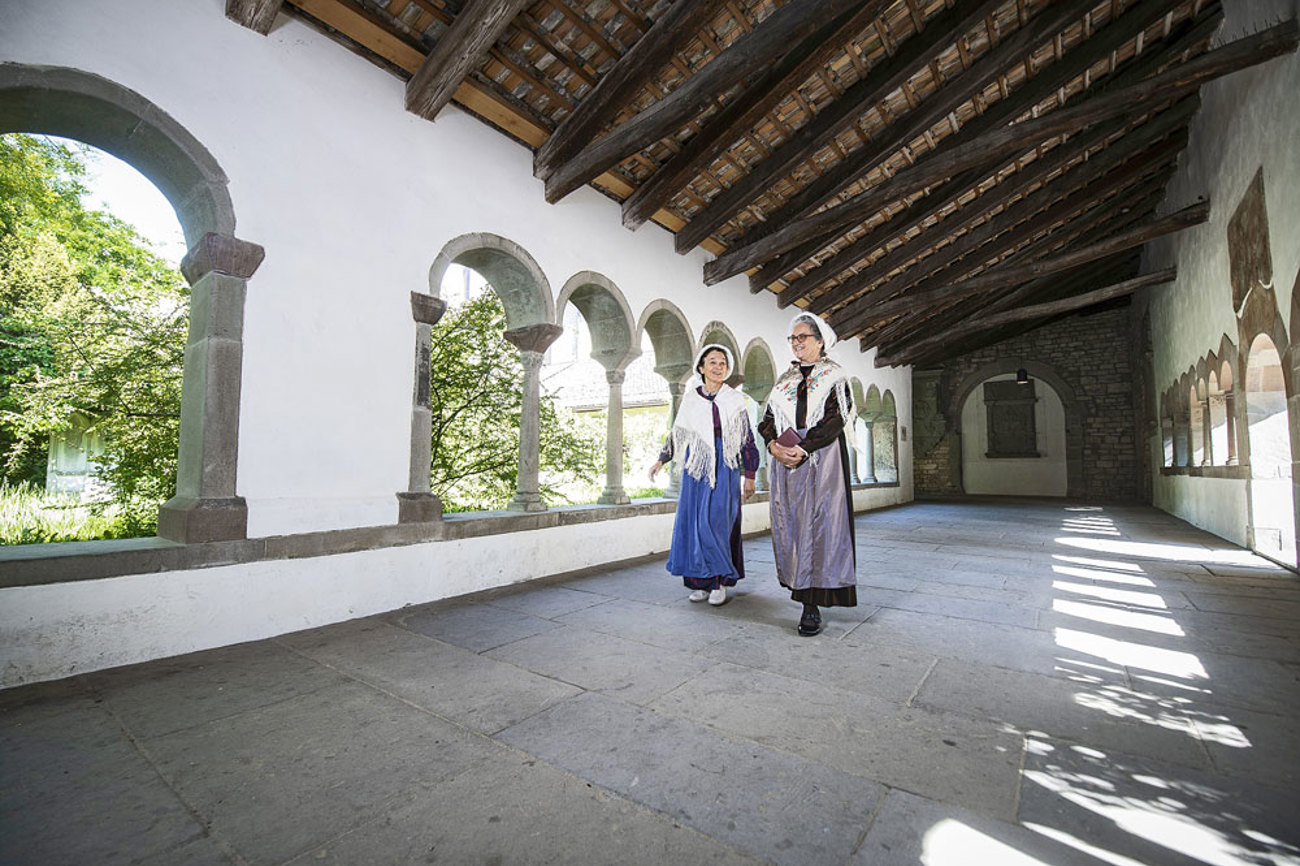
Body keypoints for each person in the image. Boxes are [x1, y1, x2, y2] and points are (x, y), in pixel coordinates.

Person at [759, 312, 857, 635]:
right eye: (794, 338)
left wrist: (804, 448)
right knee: (795, 528)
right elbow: (768, 418)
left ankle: (812, 606)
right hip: (787, 463)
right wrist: (774, 446)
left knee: (822, 528)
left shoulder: (834, 376)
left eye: (803, 337)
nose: (797, 343)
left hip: (822, 459)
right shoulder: (784, 381)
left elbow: (834, 419)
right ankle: (801, 591)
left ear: (820, 341)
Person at [650, 344, 758, 606]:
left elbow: (746, 438)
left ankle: (719, 581)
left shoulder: (734, 400)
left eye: (723, 363)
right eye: (713, 362)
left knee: (718, 523)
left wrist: (751, 474)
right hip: (696, 465)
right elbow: (679, 434)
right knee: (694, 523)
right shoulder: (691, 398)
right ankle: (699, 582)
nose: (718, 367)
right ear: (701, 367)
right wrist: (661, 460)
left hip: (725, 465)